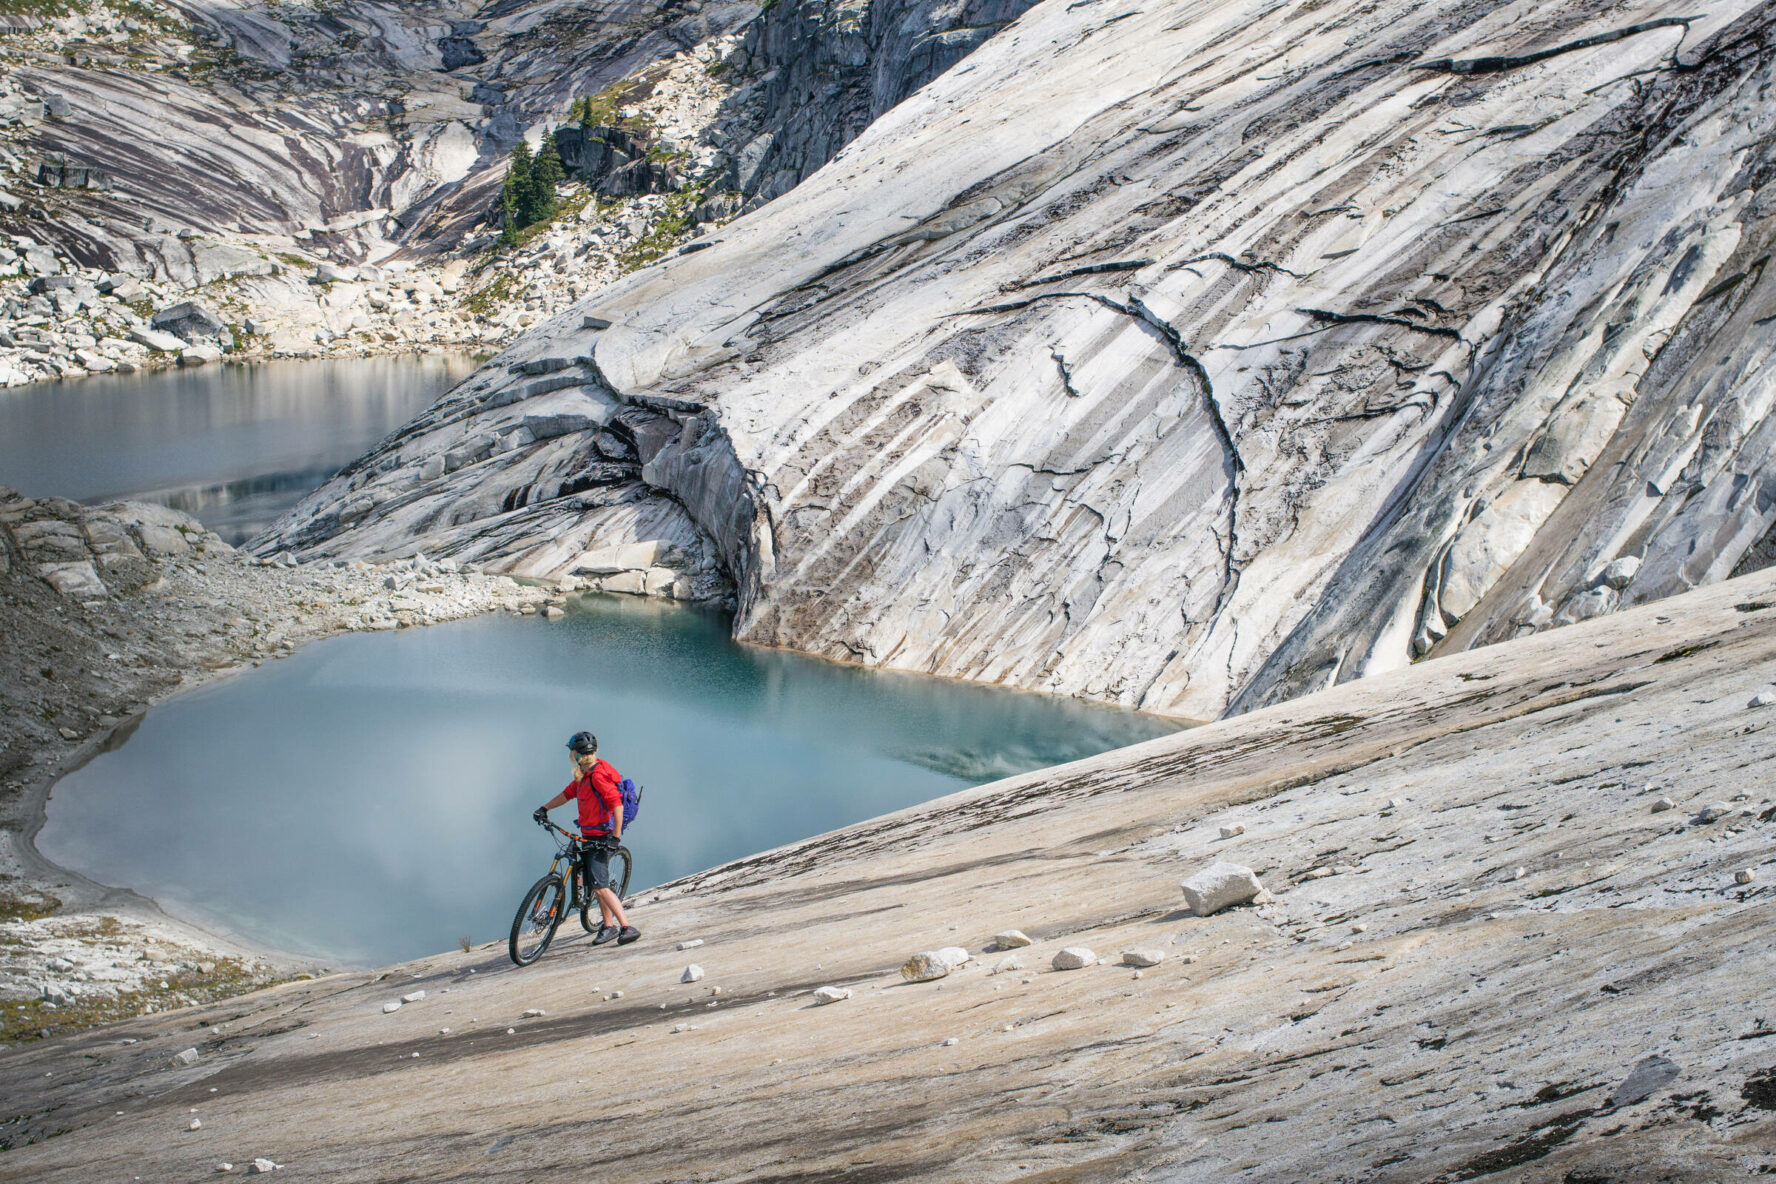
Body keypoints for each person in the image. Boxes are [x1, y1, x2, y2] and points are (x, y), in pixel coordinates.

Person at [534, 731, 639, 946]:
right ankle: (607, 926)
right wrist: (544, 808)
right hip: (588, 834)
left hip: (603, 838)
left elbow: (616, 805)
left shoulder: (598, 776)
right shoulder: (583, 773)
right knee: (593, 881)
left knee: (600, 886)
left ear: (576, 753)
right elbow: (566, 794)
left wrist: (615, 838)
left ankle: (627, 927)